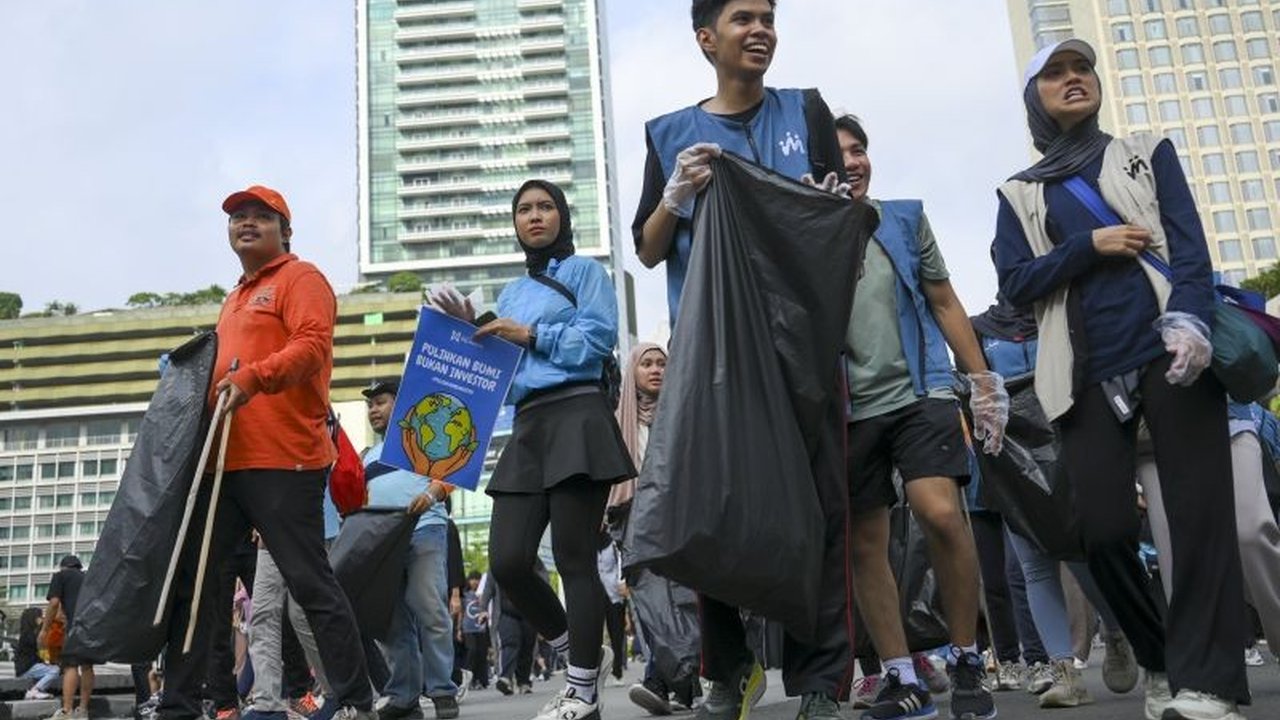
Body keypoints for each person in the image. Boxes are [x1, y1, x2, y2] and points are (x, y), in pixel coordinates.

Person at [992, 38, 1249, 720]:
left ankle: (1213, 684)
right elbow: (1015, 285)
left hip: (1172, 350)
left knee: (1199, 520)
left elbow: (1189, 247)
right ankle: (1163, 658)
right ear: (1034, 98)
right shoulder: (1018, 193)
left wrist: (1190, 321)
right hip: (1081, 375)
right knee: (1099, 531)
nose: (1074, 79)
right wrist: (1089, 245)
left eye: (1082, 69)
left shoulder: (1146, 149)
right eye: (1055, 73)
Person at [632, 3, 866, 717]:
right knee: (711, 509)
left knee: (824, 512)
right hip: (717, 361)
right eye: (742, 18)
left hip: (806, 348)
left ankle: (823, 683)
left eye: (768, 16)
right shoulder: (670, 133)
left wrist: (832, 206)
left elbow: (847, 221)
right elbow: (647, 247)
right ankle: (727, 671)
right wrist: (674, 198)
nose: (760, 28)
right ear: (707, 39)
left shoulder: (808, 112)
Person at [156, 185, 374, 720]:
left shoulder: (301, 279)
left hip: (285, 459)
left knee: (308, 579)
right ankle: (181, 704)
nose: (245, 224)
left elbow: (312, 347)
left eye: (260, 216)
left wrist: (255, 377)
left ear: (285, 230)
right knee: (199, 586)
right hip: (222, 462)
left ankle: (353, 699)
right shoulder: (233, 298)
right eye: (237, 218)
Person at [432, 178, 633, 720]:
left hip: (577, 413)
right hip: (526, 426)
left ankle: (583, 691)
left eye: (546, 207)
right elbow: (496, 372)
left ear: (563, 216)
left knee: (573, 557)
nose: (536, 216)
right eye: (524, 209)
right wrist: (465, 332)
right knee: (509, 561)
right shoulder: (512, 292)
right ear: (515, 222)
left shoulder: (587, 272)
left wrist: (531, 336)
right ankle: (578, 654)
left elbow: (597, 339)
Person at [831, 112, 1007, 720]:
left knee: (940, 514)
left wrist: (981, 379)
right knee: (866, 543)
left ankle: (963, 656)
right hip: (848, 409)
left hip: (919, 390)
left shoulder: (902, 218)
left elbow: (943, 298)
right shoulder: (803, 231)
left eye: (859, 150)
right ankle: (900, 676)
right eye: (840, 153)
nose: (852, 162)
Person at [361, 378, 460, 720]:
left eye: (380, 402)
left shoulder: (423, 439)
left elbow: (452, 474)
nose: (373, 409)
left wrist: (432, 494)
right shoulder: (366, 456)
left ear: (400, 404)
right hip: (382, 541)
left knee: (430, 608)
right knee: (390, 621)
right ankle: (403, 695)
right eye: (370, 405)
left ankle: (443, 690)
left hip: (425, 529)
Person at [41, 555, 94, 720]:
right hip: (91, 627)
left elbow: (54, 603)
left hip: (73, 627)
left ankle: (67, 711)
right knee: (87, 667)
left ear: (63, 567)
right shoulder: (88, 578)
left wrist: (45, 629)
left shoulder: (61, 576)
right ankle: (83, 710)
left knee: (71, 667)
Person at [16, 607, 60, 700]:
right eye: (40, 616)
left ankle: (39, 690)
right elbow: (40, 649)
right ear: (33, 618)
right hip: (27, 668)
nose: (42, 619)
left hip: (29, 667)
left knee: (53, 668)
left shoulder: (30, 633)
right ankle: (35, 690)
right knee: (55, 670)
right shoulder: (28, 635)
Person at [460, 573, 490, 691]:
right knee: (472, 651)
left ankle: (481, 679)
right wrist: (458, 629)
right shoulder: (465, 595)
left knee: (482, 654)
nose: (475, 582)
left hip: (481, 628)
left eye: (477, 579)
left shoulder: (484, 594)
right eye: (472, 579)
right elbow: (461, 612)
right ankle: (468, 678)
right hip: (468, 628)